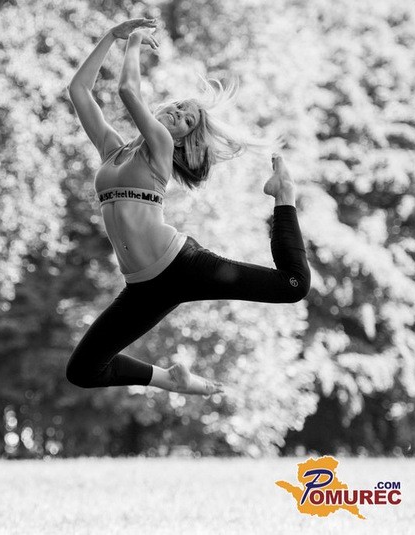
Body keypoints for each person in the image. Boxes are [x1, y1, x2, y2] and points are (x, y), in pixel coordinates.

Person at [65, 18, 311, 396]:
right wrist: (110, 37)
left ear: (181, 139)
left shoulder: (161, 148)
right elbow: (79, 90)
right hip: (142, 286)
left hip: (182, 266)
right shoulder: (112, 150)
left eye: (187, 120)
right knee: (83, 370)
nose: (179, 114)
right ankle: (171, 380)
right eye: (180, 106)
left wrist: (134, 41)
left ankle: (284, 193)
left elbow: (127, 90)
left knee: (293, 285)